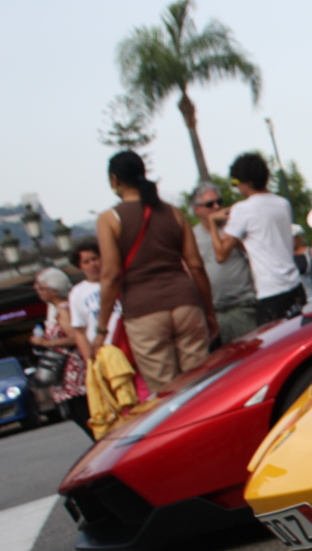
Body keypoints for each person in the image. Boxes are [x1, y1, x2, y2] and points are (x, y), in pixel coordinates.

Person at [95, 150, 217, 395]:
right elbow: (195, 266)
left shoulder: (110, 219)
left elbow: (111, 274)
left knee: (167, 392)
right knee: (200, 385)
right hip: (186, 304)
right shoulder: (173, 212)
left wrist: (101, 329)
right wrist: (209, 310)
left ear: (114, 180)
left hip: (144, 312)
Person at [203, 153, 305, 326]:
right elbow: (259, 244)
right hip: (295, 285)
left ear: (247, 182)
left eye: (235, 183)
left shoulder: (242, 209)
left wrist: (213, 222)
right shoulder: (282, 203)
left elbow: (221, 255)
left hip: (271, 291)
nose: (236, 188)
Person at [191, 181, 258, 343]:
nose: (216, 207)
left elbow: (253, 253)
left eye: (219, 202)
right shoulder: (192, 237)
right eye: (210, 204)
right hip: (215, 312)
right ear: (197, 210)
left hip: (243, 305)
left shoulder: (233, 228)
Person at [30, 267, 90, 436]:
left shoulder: (63, 309)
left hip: (73, 372)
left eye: (42, 288)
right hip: (66, 374)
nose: (39, 292)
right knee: (77, 413)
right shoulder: (56, 310)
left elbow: (75, 337)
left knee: (82, 413)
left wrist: (46, 343)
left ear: (54, 289)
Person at [67, 239, 121, 362]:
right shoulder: (77, 293)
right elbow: (79, 330)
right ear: (80, 267)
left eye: (95, 258)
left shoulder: (119, 279)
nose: (93, 264)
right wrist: (90, 360)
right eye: (86, 262)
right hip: (106, 350)